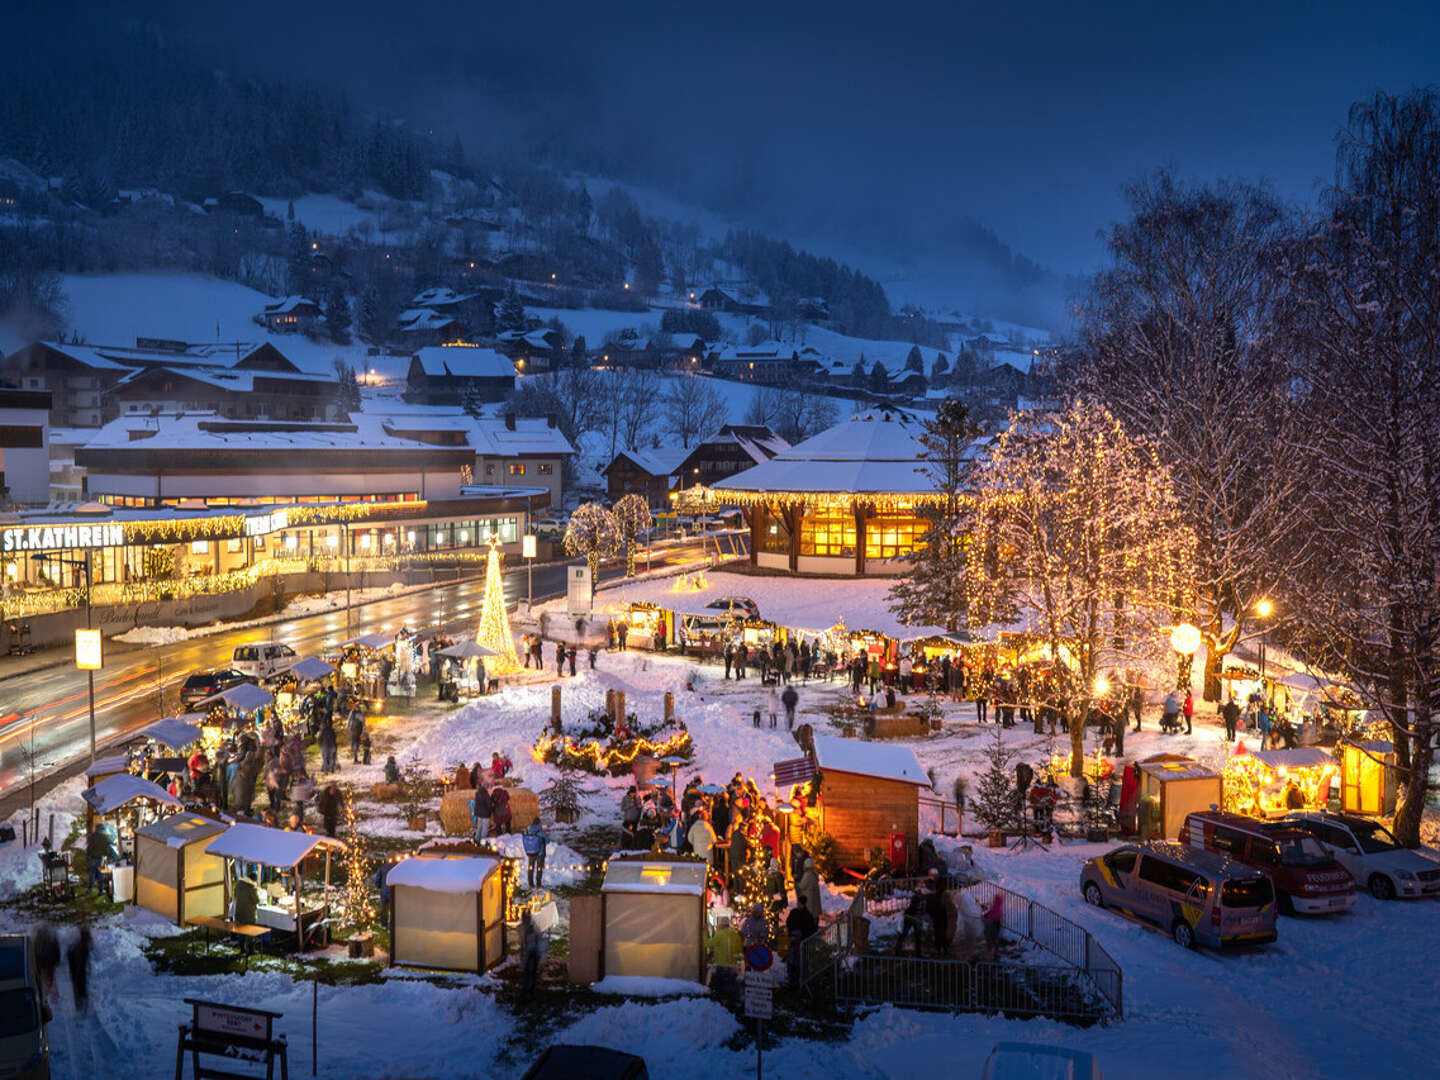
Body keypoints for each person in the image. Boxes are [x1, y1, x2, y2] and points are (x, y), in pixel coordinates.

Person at [785, 896, 819, 987]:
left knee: (798, 961)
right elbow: (789, 923)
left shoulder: (804, 914)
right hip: (795, 940)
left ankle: (797, 980)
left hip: (800, 941)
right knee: (793, 961)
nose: (798, 905)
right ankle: (793, 979)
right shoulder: (798, 913)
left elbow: (809, 928)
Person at [66, 924, 92, 1012]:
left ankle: (80, 1004)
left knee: (78, 985)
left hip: (78, 968)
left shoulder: (78, 944)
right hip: (79, 968)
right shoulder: (80, 944)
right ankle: (81, 1004)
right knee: (80, 984)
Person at [893, 889, 926, 955]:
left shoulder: (917, 899)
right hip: (913, 917)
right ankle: (918, 952)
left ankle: (898, 950)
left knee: (906, 934)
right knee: (917, 935)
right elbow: (918, 910)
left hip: (910, 917)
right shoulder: (920, 900)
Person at [519, 912, 545, 999]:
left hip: (531, 953)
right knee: (529, 972)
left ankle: (528, 990)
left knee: (529, 972)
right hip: (531, 953)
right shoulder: (529, 928)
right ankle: (529, 990)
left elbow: (524, 943)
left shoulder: (526, 929)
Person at [34, 924, 59, 1001]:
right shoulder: (50, 937)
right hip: (47, 963)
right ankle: (49, 993)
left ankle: (49, 993)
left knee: (47, 977)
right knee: (48, 977)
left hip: (45, 963)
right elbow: (56, 948)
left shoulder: (38, 939)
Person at [956, 887, 983, 961]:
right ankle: (968, 956)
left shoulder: (965, 901)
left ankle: (967, 956)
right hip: (969, 927)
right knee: (969, 942)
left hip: (969, 927)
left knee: (969, 942)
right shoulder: (965, 902)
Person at [522, 821, 548, 887]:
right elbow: (547, 841)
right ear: (538, 823)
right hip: (540, 853)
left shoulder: (528, 830)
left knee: (530, 868)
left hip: (531, 852)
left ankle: (530, 884)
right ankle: (538, 884)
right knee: (539, 868)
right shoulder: (540, 831)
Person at [982, 892, 1004, 959]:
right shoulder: (999, 909)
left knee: (990, 939)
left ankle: (989, 953)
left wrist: (984, 916)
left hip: (992, 926)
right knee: (995, 939)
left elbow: (989, 915)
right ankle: (995, 952)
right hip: (997, 926)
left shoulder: (994, 908)